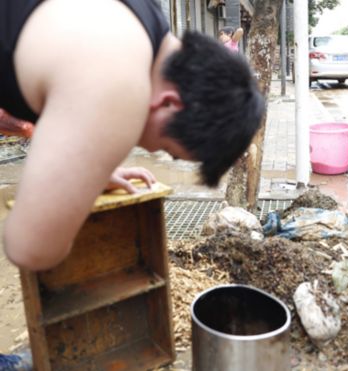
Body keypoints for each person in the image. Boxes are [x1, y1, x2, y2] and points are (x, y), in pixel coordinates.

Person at [1, 0, 264, 271]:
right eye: (166, 148)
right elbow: (29, 249)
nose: (151, 151)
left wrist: (92, 169)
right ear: (169, 103)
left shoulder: (142, 20)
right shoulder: (120, 83)